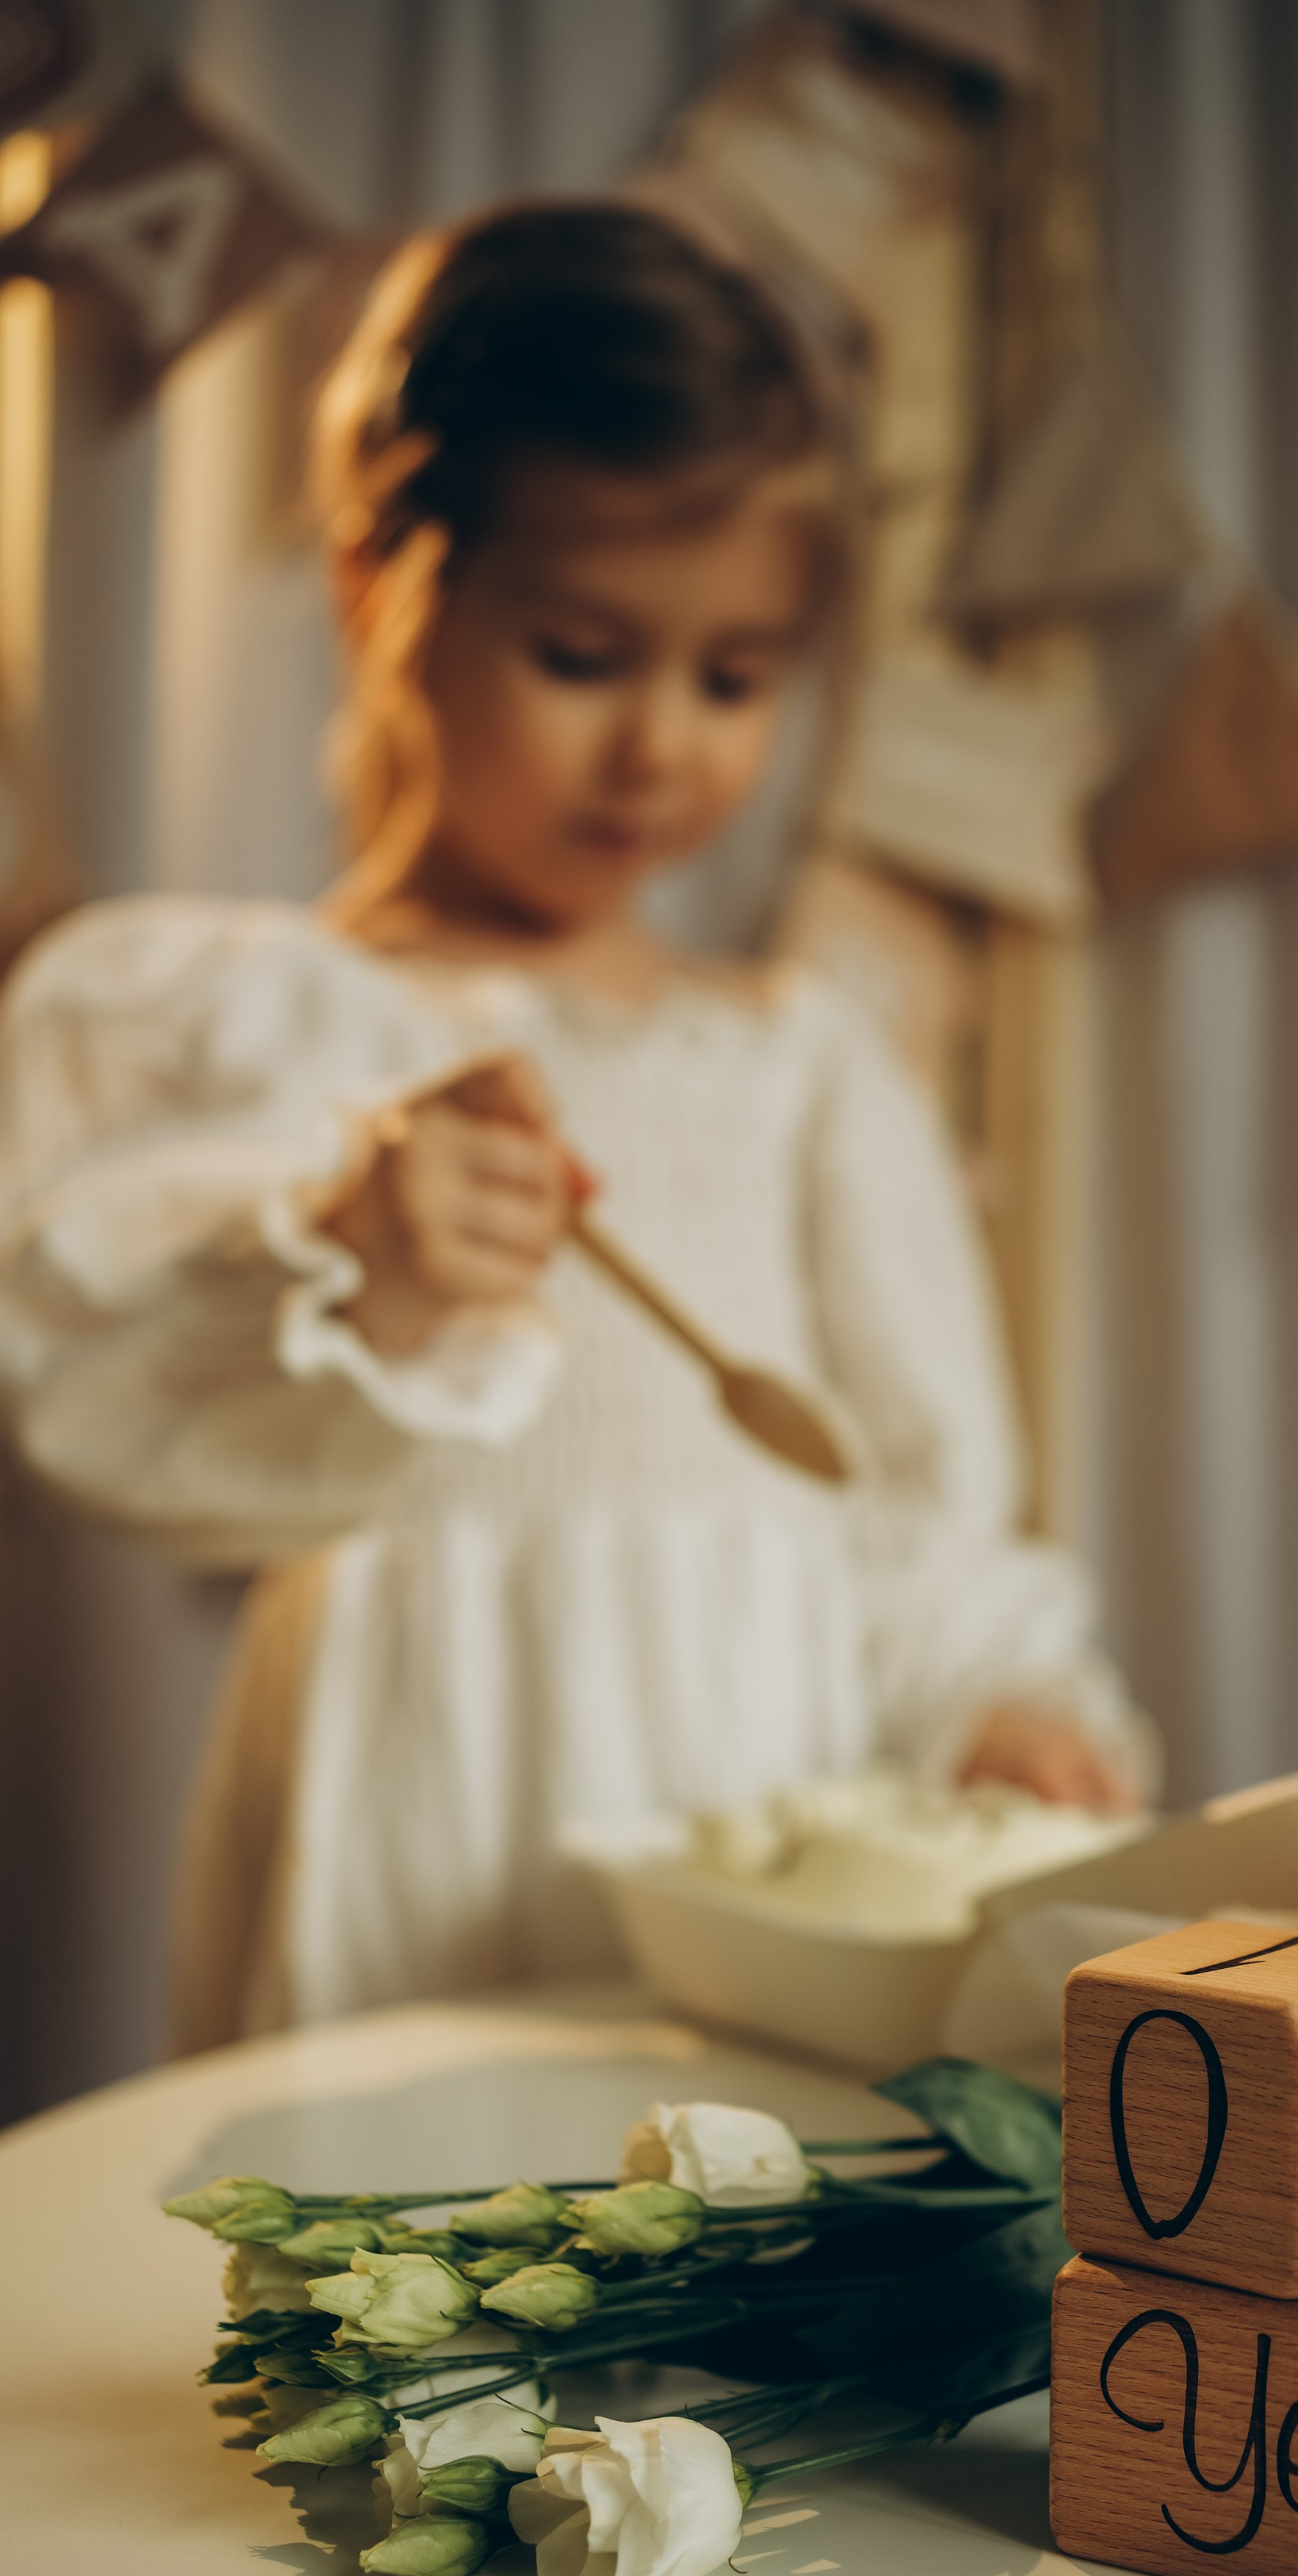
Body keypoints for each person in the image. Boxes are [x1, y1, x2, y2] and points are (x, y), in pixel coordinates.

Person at [0, 201, 1149, 2049]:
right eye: (583, 652)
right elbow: (91, 1395)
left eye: (732, 678)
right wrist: (346, 1251)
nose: (659, 752)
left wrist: (999, 1699)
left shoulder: (798, 1069)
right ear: (388, 583)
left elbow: (907, 1500)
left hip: (761, 1837)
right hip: (419, 1819)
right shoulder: (239, 1021)